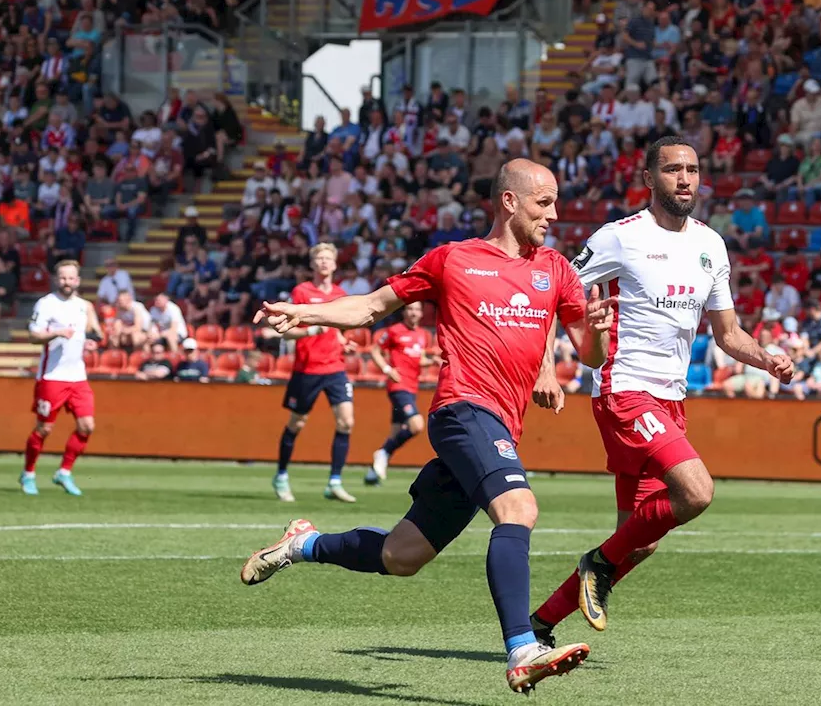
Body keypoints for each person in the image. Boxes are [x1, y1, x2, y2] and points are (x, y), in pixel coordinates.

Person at [239, 159, 617, 694]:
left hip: (501, 425)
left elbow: (588, 353)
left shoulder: (556, 269)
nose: (554, 214)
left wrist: (597, 334)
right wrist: (308, 314)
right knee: (519, 508)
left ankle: (302, 544)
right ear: (509, 201)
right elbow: (372, 305)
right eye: (544, 202)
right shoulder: (453, 259)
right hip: (463, 410)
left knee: (401, 556)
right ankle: (523, 648)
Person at [529, 137, 794, 644]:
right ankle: (596, 564)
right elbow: (553, 293)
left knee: (641, 540)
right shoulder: (619, 238)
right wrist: (547, 367)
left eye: (693, 169)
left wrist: (767, 359)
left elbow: (728, 333)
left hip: (671, 399)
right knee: (696, 491)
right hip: (624, 387)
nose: (685, 178)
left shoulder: (710, 245)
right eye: (673, 169)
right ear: (649, 179)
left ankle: (540, 625)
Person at [264, 243, 360, 503]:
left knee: (346, 421)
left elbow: (340, 330)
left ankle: (334, 482)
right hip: (308, 368)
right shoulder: (302, 291)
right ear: (313, 264)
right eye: (320, 258)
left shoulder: (341, 293)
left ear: (335, 264)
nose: (324, 262)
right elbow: (286, 329)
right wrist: (309, 331)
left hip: (335, 368)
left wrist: (344, 342)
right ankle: (281, 475)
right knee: (297, 423)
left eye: (329, 258)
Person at [22, 261, 104, 496]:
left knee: (87, 426)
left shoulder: (84, 306)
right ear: (56, 279)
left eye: (71, 278)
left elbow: (95, 332)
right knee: (45, 429)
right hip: (52, 377)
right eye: (63, 277)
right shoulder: (47, 304)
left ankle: (64, 472)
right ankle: (28, 473)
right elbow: (33, 336)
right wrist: (56, 333)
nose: (67, 282)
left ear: (78, 280)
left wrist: (92, 342)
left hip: (78, 377)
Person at [367, 301, 434, 485]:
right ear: (404, 312)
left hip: (412, 387)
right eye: (410, 309)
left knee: (395, 432)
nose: (413, 312)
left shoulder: (423, 334)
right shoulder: (394, 330)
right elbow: (375, 351)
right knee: (416, 425)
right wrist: (388, 370)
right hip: (398, 386)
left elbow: (418, 359)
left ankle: (373, 474)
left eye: (417, 309)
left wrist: (432, 361)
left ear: (421, 313)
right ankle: (383, 453)